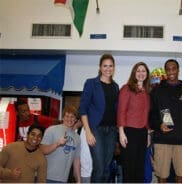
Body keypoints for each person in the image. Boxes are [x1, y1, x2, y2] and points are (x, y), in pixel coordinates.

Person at [150, 59, 182, 183]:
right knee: (162, 174)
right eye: (168, 69)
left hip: (181, 140)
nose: (171, 72)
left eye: (173, 68)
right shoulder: (156, 91)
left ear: (178, 70)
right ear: (165, 71)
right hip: (162, 139)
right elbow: (151, 115)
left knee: (181, 174)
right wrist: (159, 125)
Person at [79, 53, 119, 182]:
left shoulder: (115, 86)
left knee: (107, 168)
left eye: (111, 66)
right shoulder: (91, 83)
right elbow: (83, 109)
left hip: (112, 131)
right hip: (96, 130)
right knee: (99, 167)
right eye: (105, 66)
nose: (108, 68)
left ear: (114, 67)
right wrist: (88, 132)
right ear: (100, 67)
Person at [117, 62, 151, 182]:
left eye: (143, 71)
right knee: (129, 169)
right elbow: (121, 111)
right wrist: (121, 132)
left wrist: (147, 135)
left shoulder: (147, 92)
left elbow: (146, 115)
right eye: (138, 71)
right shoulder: (127, 88)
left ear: (147, 74)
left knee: (139, 168)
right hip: (129, 132)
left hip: (142, 133)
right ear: (134, 73)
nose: (141, 73)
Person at [40, 105, 81, 183]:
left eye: (72, 117)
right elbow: (42, 150)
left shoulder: (77, 138)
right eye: (67, 116)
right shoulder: (51, 130)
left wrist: (78, 181)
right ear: (63, 117)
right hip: (47, 177)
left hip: (63, 180)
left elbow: (76, 161)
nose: (69, 119)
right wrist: (57, 144)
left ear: (76, 119)